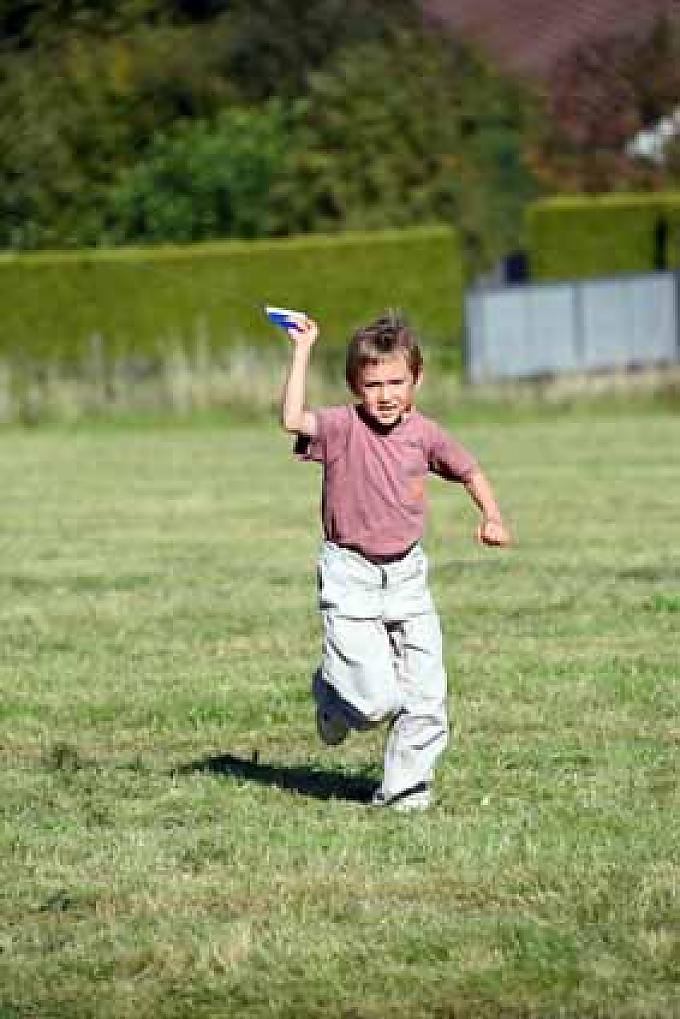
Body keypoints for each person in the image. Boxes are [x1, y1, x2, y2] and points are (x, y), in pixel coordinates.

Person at [280, 312, 511, 811]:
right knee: (371, 703)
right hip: (351, 574)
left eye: (396, 382)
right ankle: (332, 693)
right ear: (354, 385)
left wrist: (492, 516)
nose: (385, 394)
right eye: (373, 384)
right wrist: (302, 350)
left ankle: (406, 787)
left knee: (427, 691)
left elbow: (470, 469)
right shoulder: (341, 428)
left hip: (407, 574)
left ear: (417, 381)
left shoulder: (425, 433)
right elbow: (293, 421)